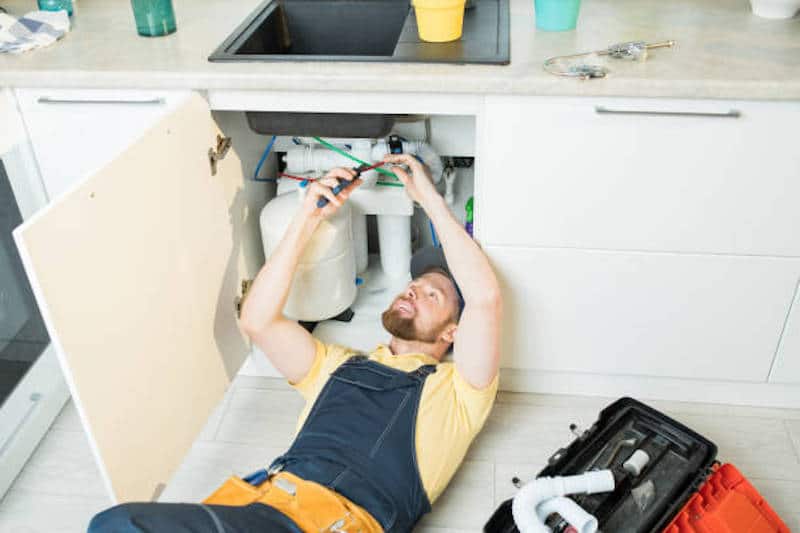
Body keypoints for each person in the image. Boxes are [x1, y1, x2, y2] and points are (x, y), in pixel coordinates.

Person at [88, 153, 502, 532]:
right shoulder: (337, 365)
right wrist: (307, 219)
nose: (413, 291)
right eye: (413, 285)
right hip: (261, 507)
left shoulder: (460, 393)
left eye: (433, 294)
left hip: (340, 522)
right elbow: (258, 320)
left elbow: (484, 298)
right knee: (120, 523)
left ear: (453, 332)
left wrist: (429, 198)